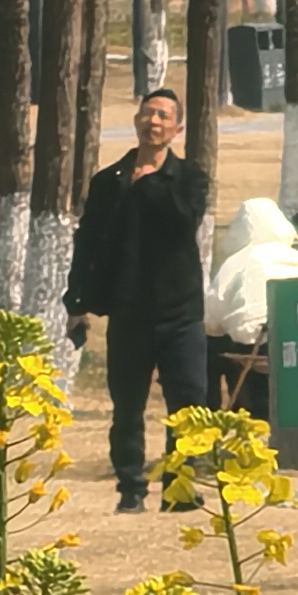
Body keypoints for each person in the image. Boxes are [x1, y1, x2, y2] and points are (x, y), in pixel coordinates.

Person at [68, 85, 212, 509]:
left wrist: (147, 182)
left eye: (164, 116)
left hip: (180, 312)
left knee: (186, 405)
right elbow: (88, 243)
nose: (154, 122)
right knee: (127, 407)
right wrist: (77, 303)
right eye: (148, 114)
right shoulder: (108, 181)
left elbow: (183, 220)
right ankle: (130, 490)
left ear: (177, 129)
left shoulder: (189, 179)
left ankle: (179, 488)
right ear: (136, 122)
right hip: (128, 311)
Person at [203, 197, 298, 409]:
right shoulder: (296, 256)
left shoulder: (239, 262)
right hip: (292, 347)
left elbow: (212, 316)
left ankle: (211, 408)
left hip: (249, 351)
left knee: (209, 348)